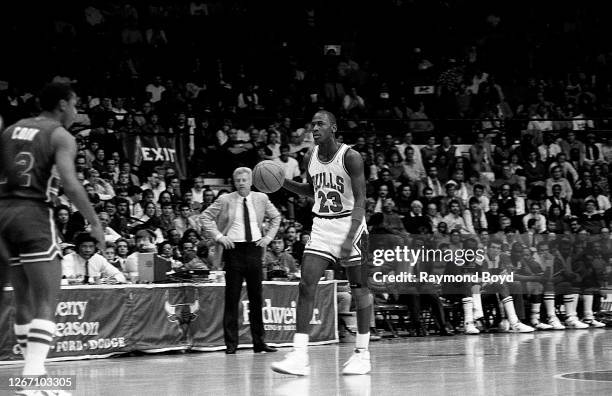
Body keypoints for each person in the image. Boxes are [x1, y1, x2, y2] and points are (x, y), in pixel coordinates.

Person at [0, 83, 104, 382]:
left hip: (3, 214)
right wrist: (94, 222)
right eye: (75, 105)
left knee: (22, 299)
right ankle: (34, 377)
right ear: (61, 105)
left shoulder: (11, 130)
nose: (76, 111)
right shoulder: (60, 135)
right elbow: (70, 184)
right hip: (32, 213)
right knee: (46, 298)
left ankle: (31, 372)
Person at [271, 110, 372, 376]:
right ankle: (300, 354)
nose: (314, 128)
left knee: (359, 290)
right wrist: (283, 183)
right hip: (322, 225)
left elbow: (361, 200)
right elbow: (312, 191)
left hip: (350, 224)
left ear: (334, 128)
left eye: (320, 124)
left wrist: (350, 237)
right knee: (306, 285)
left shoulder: (350, 157)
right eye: (312, 124)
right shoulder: (309, 156)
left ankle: (362, 353)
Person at [201, 167, 281, 354]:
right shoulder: (225, 199)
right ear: (234, 182)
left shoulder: (261, 198)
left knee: (256, 299)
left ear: (251, 181)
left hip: (254, 249)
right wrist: (220, 236)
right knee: (232, 299)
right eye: (238, 180)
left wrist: (268, 238)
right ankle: (231, 344)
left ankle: (259, 342)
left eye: (245, 179)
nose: (241, 183)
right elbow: (205, 217)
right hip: (233, 250)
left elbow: (276, 217)